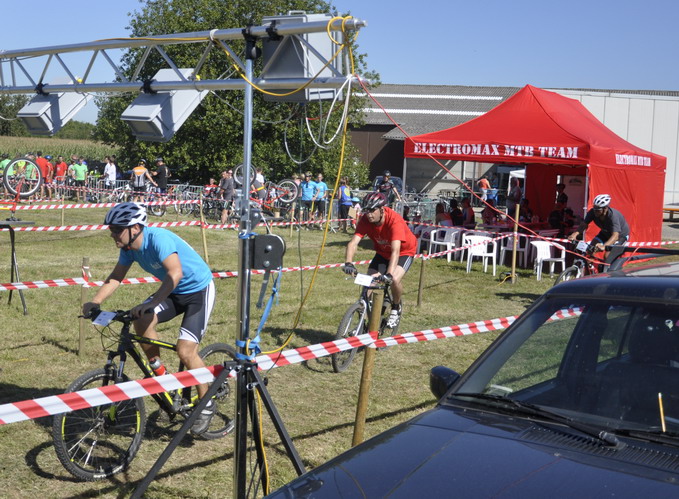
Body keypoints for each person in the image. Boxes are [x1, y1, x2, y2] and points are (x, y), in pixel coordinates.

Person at [82, 203, 217, 435]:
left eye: (116, 229)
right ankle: (159, 370)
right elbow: (116, 276)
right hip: (173, 291)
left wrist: (152, 303)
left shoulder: (158, 239)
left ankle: (207, 403)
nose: (112, 233)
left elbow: (176, 273)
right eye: (111, 229)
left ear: (134, 227)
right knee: (141, 320)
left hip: (198, 291)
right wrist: (95, 302)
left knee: (185, 352)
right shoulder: (128, 248)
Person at [343, 192, 417, 328]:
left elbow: (396, 251)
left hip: (404, 252)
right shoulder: (366, 220)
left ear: (382, 209)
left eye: (372, 210)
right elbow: (353, 243)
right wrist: (349, 263)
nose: (369, 214)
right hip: (383, 252)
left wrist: (388, 274)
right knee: (368, 284)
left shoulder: (394, 221)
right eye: (366, 210)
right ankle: (365, 315)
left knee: (394, 279)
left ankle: (395, 307)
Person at [568, 193, 630, 264]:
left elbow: (615, 236)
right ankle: (590, 272)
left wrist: (604, 246)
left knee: (607, 257)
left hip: (620, 236)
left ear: (605, 208)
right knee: (590, 251)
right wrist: (575, 234)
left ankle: (610, 273)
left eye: (598, 210)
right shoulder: (592, 212)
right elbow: (583, 225)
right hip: (605, 233)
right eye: (594, 208)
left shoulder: (613, 216)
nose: (595, 211)